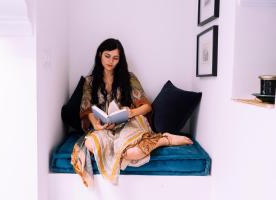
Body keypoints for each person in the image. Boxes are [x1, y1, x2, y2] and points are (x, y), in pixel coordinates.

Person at [71, 38, 193, 187]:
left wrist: (130, 112)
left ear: (120, 60)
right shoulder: (89, 82)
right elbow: (88, 109)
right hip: (105, 128)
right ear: (99, 55)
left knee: (131, 154)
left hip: (129, 122)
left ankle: (165, 139)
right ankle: (116, 146)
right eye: (107, 56)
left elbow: (147, 107)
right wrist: (96, 125)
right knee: (90, 144)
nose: (111, 61)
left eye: (116, 58)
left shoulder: (129, 78)